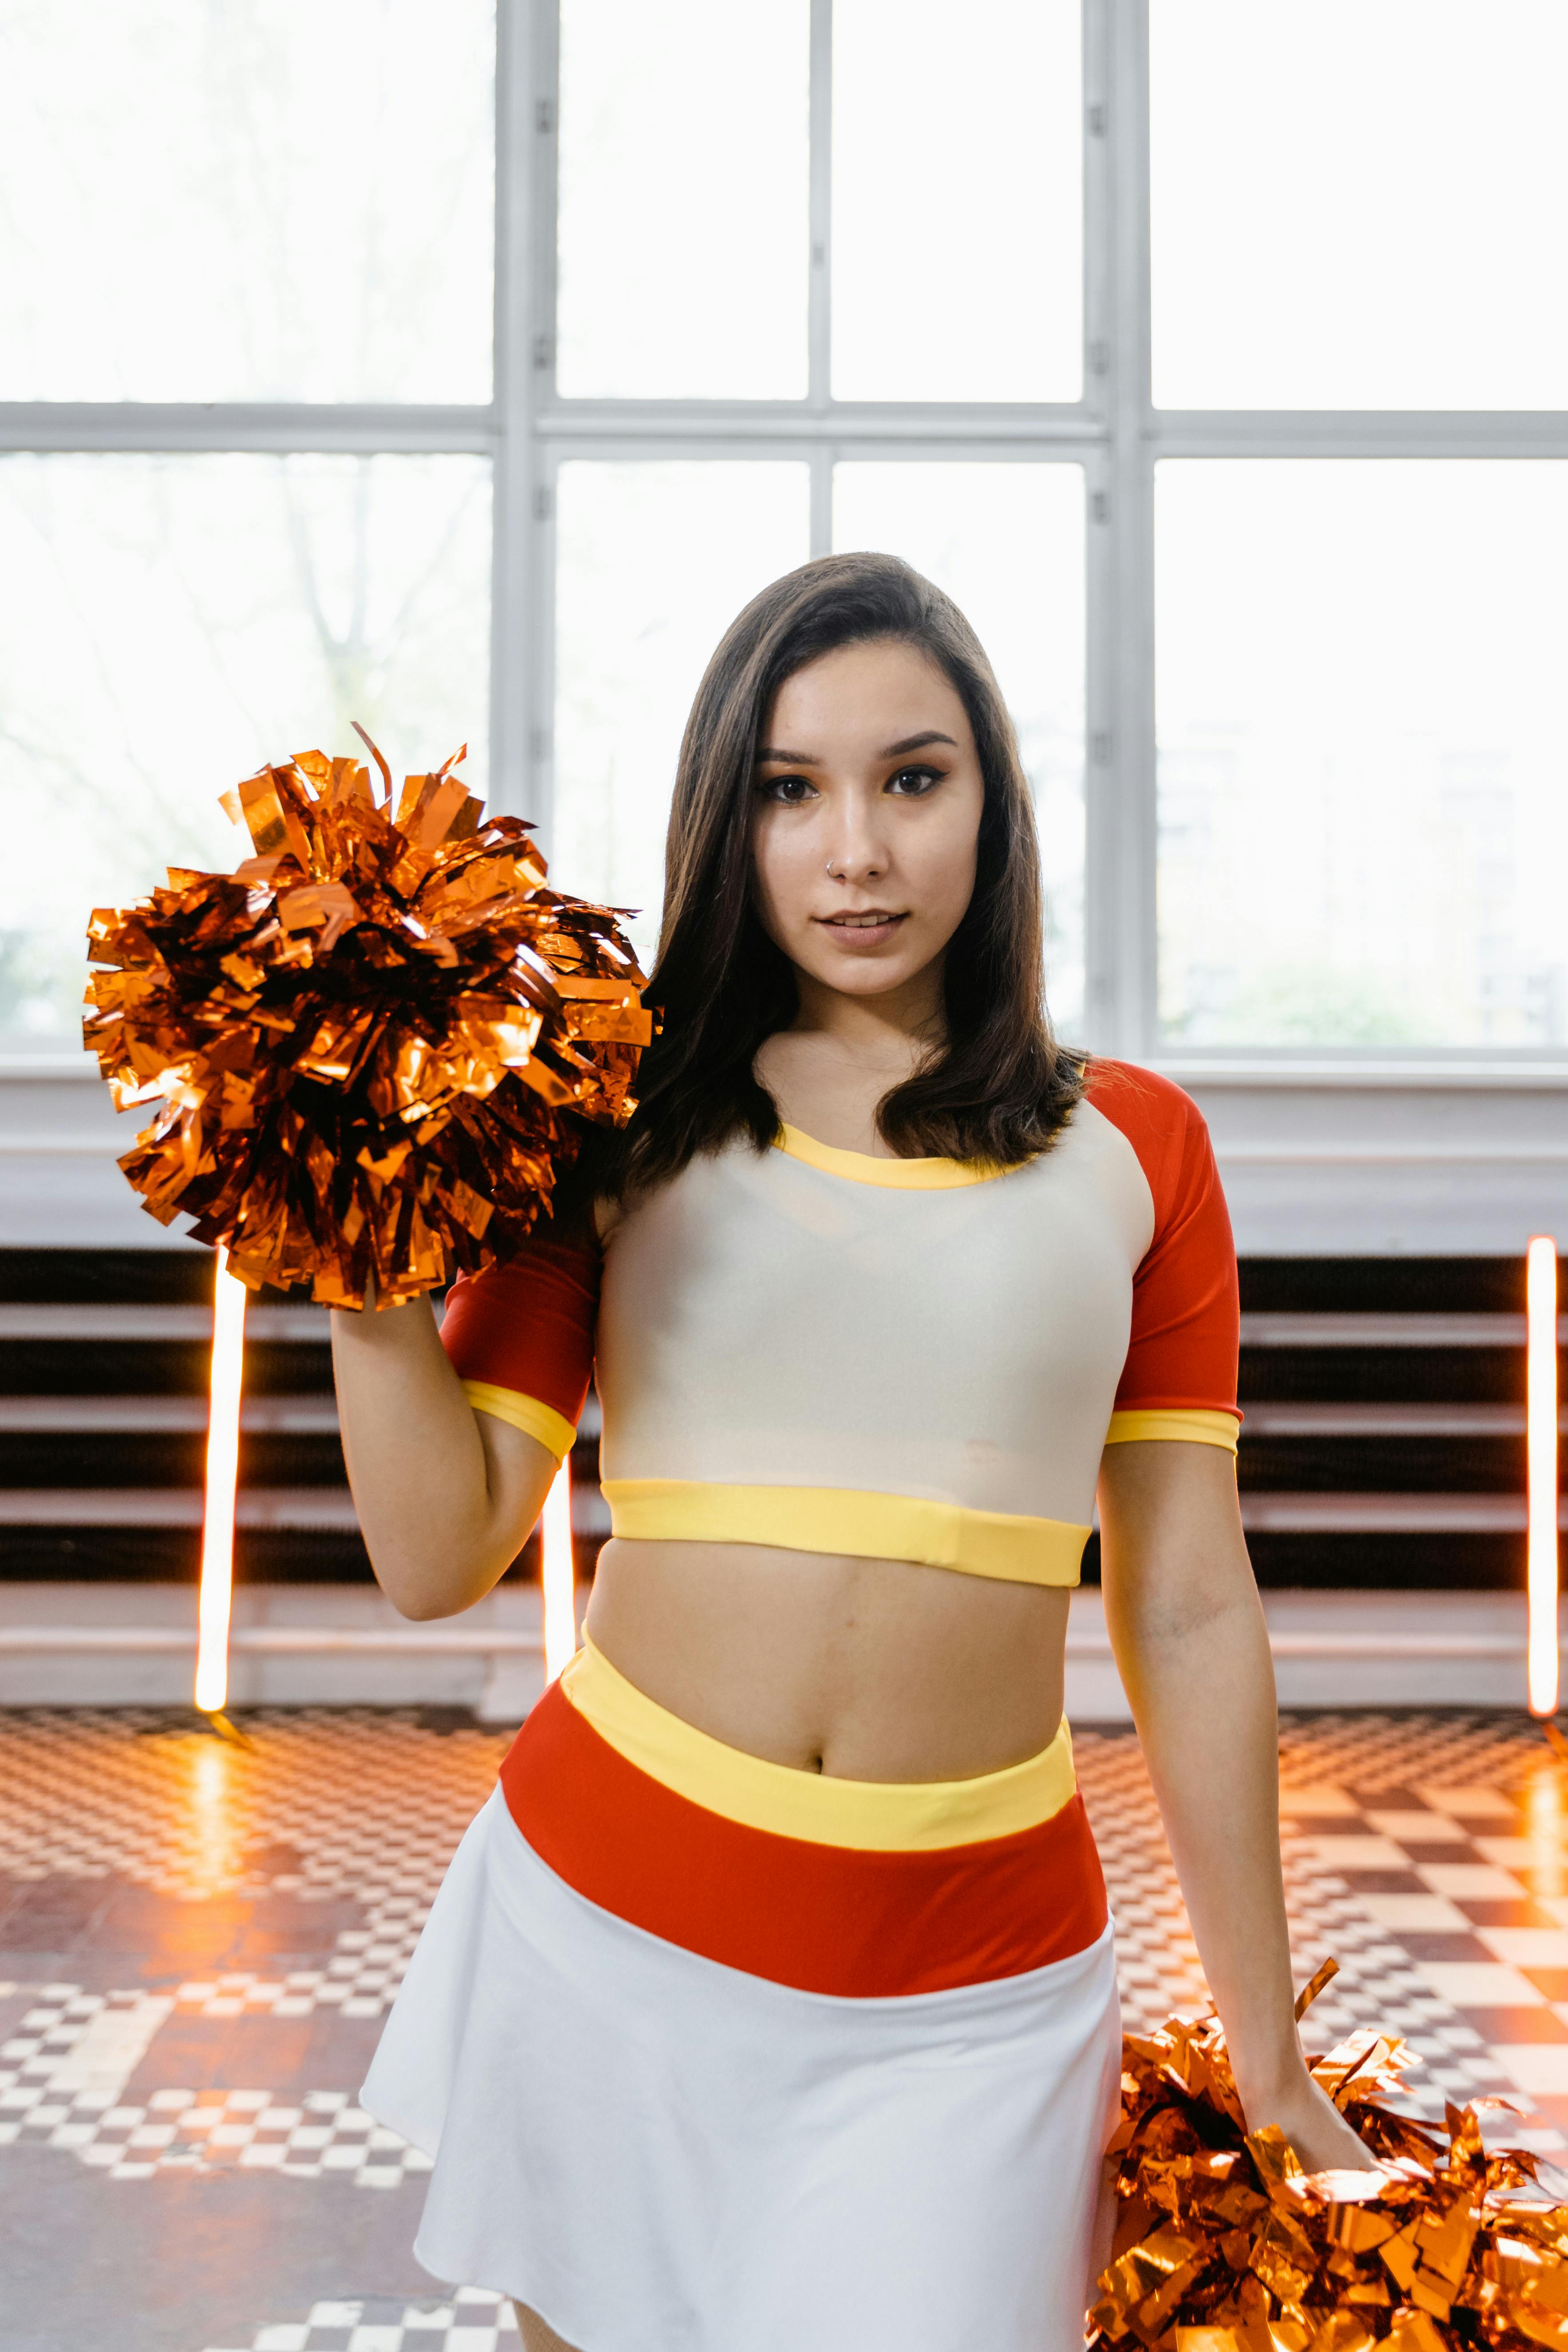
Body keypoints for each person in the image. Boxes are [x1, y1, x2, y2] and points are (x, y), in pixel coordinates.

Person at [343, 553, 1369, 2352]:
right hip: (609, 1937)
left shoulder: (1136, 1147)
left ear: (994, 800)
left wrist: (1265, 2041)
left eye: (914, 776)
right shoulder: (612, 1114)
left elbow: (1192, 1606)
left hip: (971, 1994)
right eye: (790, 790)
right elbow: (441, 1554)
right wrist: (347, 1276)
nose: (858, 853)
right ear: (726, 821)